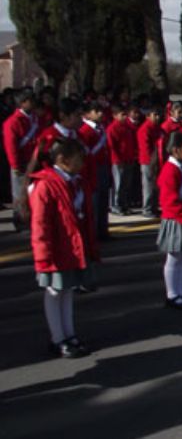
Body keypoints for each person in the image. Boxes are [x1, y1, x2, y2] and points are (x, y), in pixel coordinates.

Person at [28, 138, 99, 358]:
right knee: (54, 291)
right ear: (62, 159)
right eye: (79, 158)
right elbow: (40, 223)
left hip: (71, 246)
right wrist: (43, 255)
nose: (82, 163)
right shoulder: (46, 184)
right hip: (56, 248)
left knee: (67, 290)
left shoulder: (75, 181)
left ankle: (69, 334)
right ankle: (58, 338)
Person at [156, 131, 182, 309]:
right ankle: (172, 294)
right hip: (175, 219)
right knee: (173, 257)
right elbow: (169, 201)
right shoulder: (170, 170)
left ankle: (180, 291)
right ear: (175, 150)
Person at [3, 89, 39, 231]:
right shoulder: (13, 122)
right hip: (21, 162)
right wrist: (15, 164)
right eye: (30, 100)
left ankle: (30, 218)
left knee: (31, 192)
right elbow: (10, 145)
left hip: (33, 160)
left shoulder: (33, 119)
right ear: (23, 103)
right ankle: (20, 220)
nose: (34, 103)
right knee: (20, 193)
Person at [78, 101, 112, 240]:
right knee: (95, 201)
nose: (100, 114)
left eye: (101, 111)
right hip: (93, 168)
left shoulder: (101, 128)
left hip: (103, 165)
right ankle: (94, 233)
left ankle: (103, 230)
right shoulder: (85, 131)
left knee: (104, 199)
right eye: (96, 111)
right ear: (87, 114)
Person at [106, 104, 137, 215]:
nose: (125, 117)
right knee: (118, 185)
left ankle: (124, 204)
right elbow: (111, 146)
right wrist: (116, 159)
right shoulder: (112, 128)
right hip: (118, 161)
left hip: (128, 159)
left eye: (125, 114)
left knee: (126, 184)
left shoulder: (128, 127)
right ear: (115, 116)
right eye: (122, 115)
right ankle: (115, 205)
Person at [137, 107, 163, 218]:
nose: (157, 117)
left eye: (158, 115)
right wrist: (152, 161)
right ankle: (147, 209)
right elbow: (145, 148)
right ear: (148, 116)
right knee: (148, 185)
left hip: (157, 160)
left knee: (155, 186)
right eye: (154, 115)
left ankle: (154, 207)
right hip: (148, 161)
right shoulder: (144, 129)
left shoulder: (157, 128)